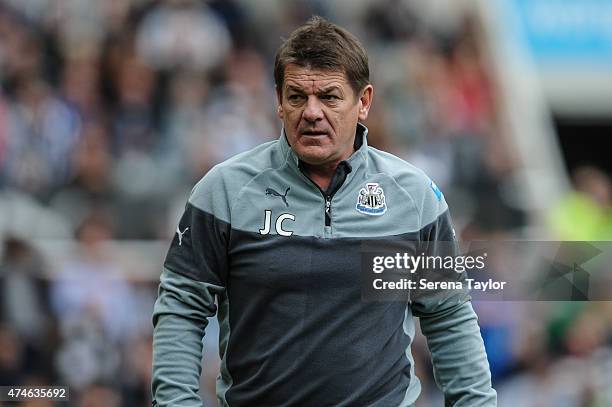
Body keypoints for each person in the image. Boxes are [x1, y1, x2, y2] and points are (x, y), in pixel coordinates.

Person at [152, 16, 496, 406]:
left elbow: (447, 315)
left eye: (329, 97)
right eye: (297, 96)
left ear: (363, 102)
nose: (311, 112)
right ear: (279, 102)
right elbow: (182, 306)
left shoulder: (414, 196)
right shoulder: (225, 191)